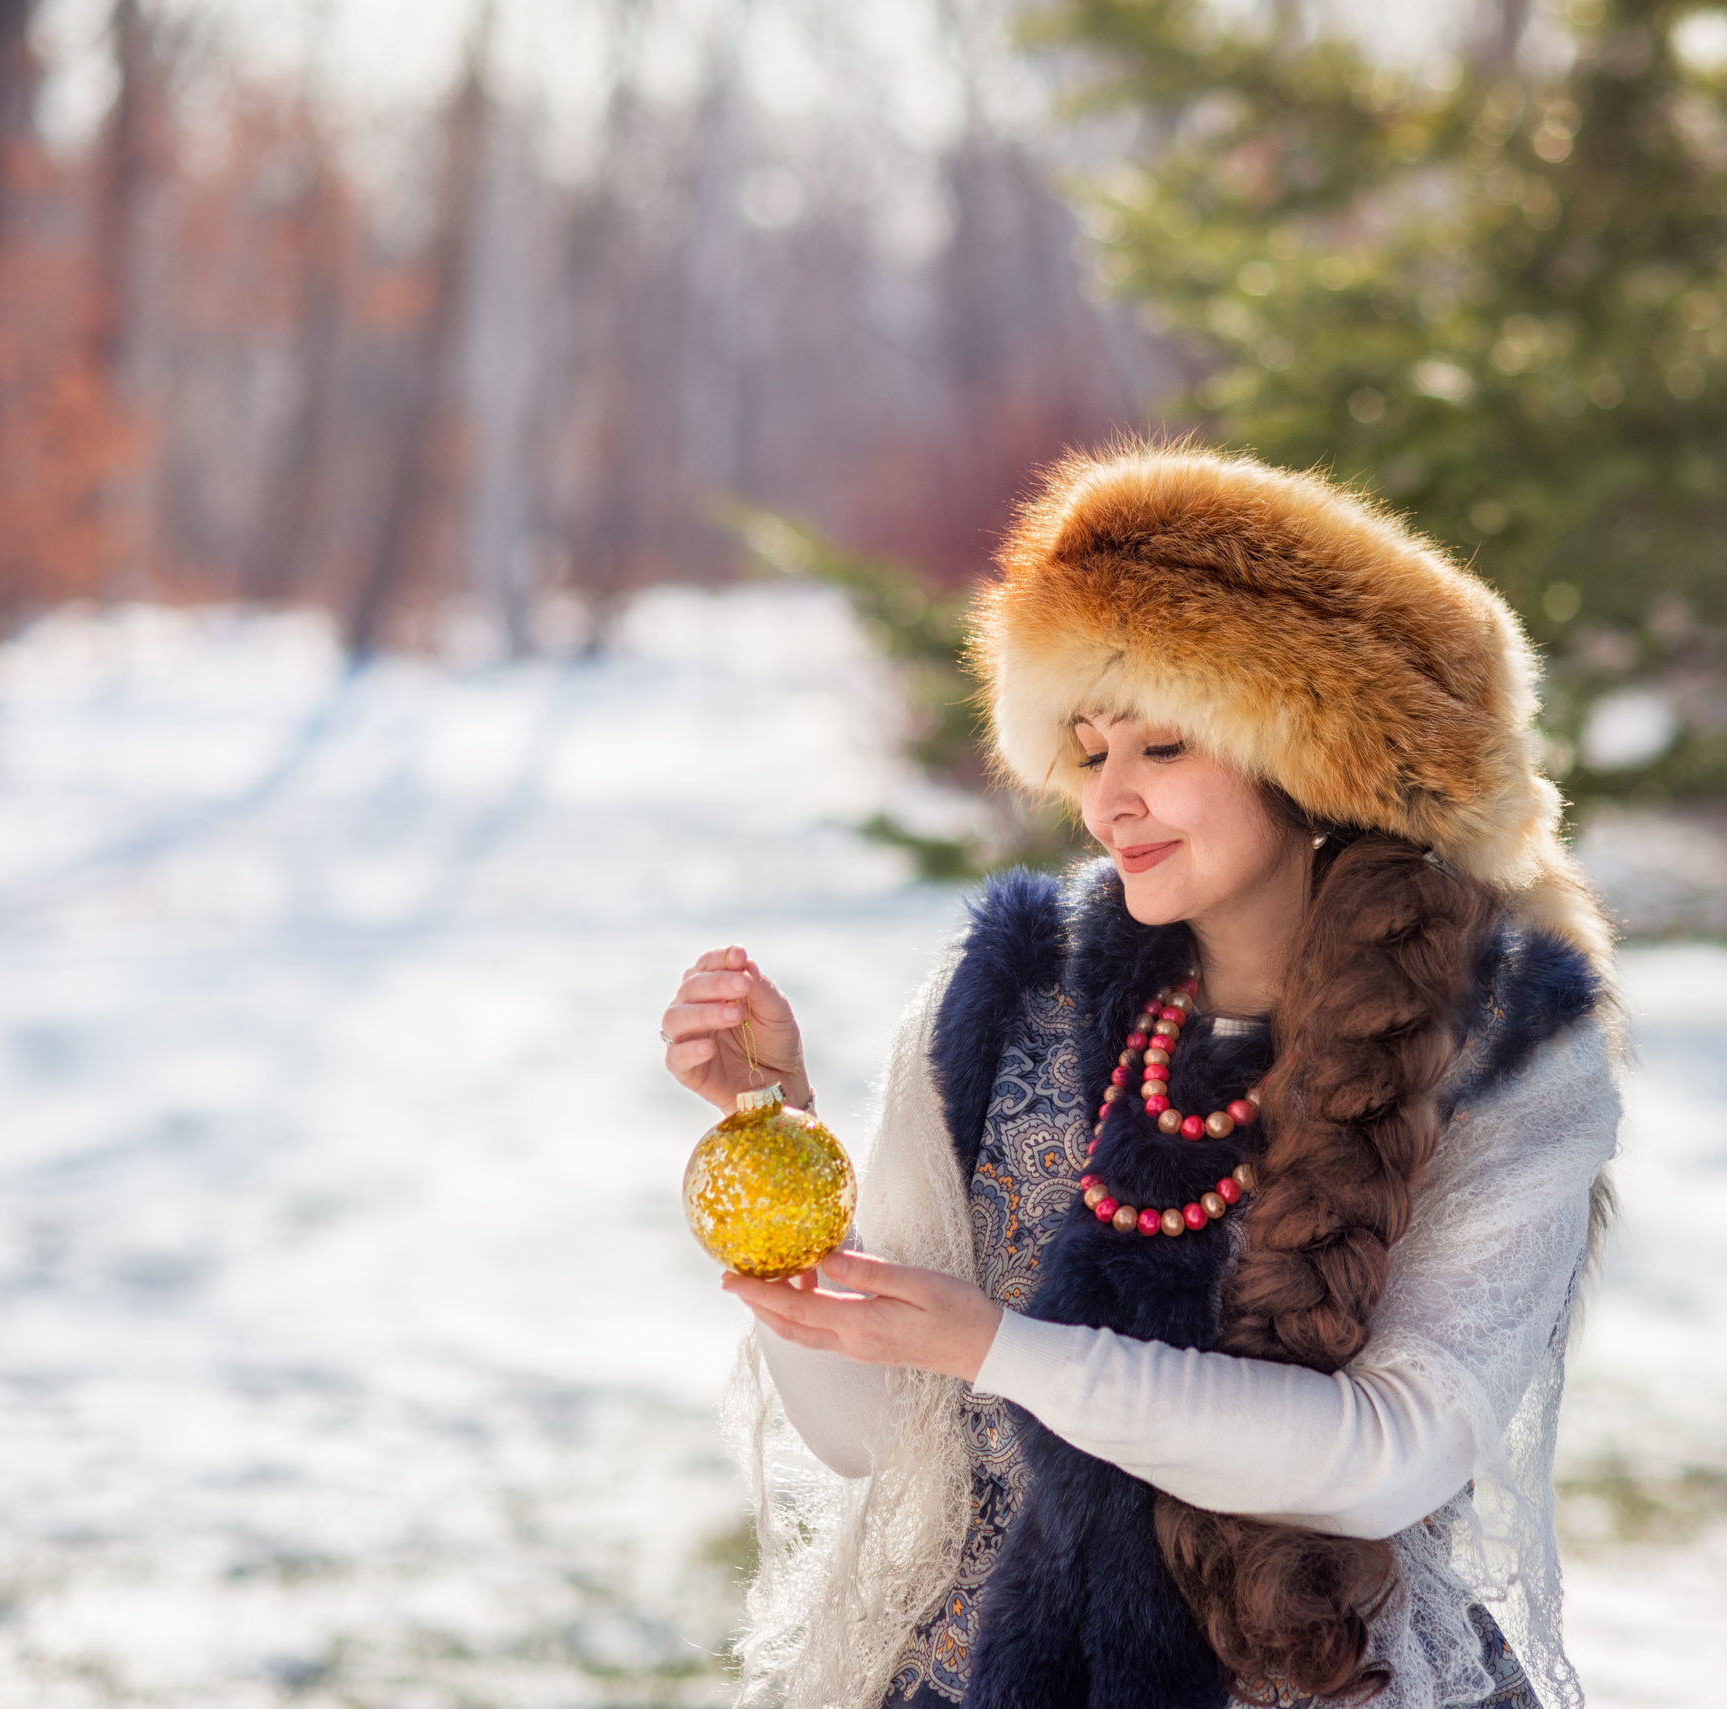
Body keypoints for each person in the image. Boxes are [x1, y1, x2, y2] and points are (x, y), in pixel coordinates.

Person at [658, 447, 1621, 1709]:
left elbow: (1389, 1453)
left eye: (1160, 743)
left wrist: (1009, 1349)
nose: (1109, 800)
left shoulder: (1507, 1046)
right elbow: (870, 1432)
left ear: (1317, 756)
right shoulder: (1002, 997)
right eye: (1086, 748)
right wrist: (775, 1132)